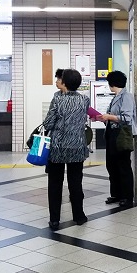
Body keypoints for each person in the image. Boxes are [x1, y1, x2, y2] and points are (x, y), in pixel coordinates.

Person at [43, 68, 90, 230]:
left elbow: (48, 123)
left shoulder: (57, 100)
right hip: (77, 147)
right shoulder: (85, 100)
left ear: (64, 83)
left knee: (55, 184)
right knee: (76, 183)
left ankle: (55, 219)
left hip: (58, 147)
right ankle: (79, 216)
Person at [100, 71, 137, 208]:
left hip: (121, 135)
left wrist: (109, 117)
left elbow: (126, 118)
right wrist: (105, 119)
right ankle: (116, 194)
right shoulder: (115, 97)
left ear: (112, 83)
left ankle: (127, 197)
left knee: (123, 166)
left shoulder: (126, 97)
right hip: (111, 133)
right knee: (112, 165)